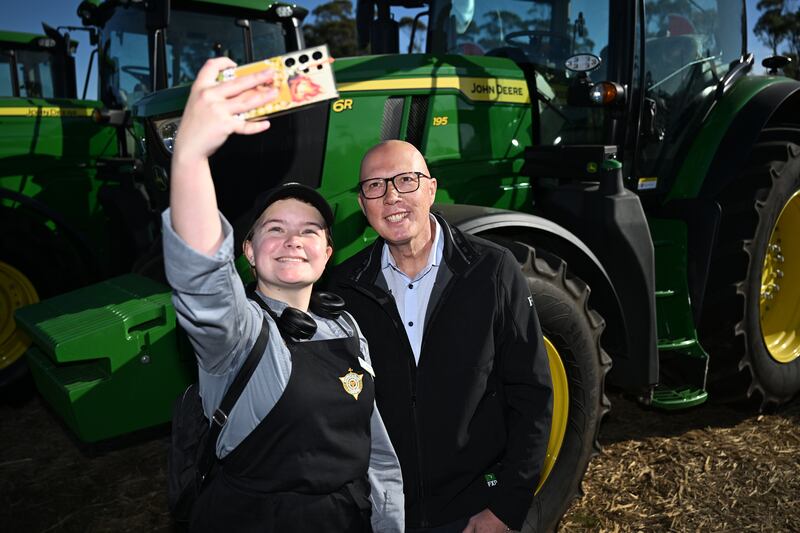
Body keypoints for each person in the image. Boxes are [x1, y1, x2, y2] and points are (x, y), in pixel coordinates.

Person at [162, 57, 404, 532]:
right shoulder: (237, 334)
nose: (294, 239)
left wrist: (389, 521)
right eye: (275, 228)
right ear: (248, 251)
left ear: (328, 252)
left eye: (310, 230)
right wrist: (189, 158)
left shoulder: (346, 326)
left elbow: (375, 446)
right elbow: (201, 280)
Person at [328, 140, 553, 533]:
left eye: (406, 180)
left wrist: (506, 507)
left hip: (473, 513)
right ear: (364, 207)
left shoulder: (493, 271)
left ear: (431, 189)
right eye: (375, 186)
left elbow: (532, 394)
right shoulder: (345, 290)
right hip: (383, 516)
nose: (392, 196)